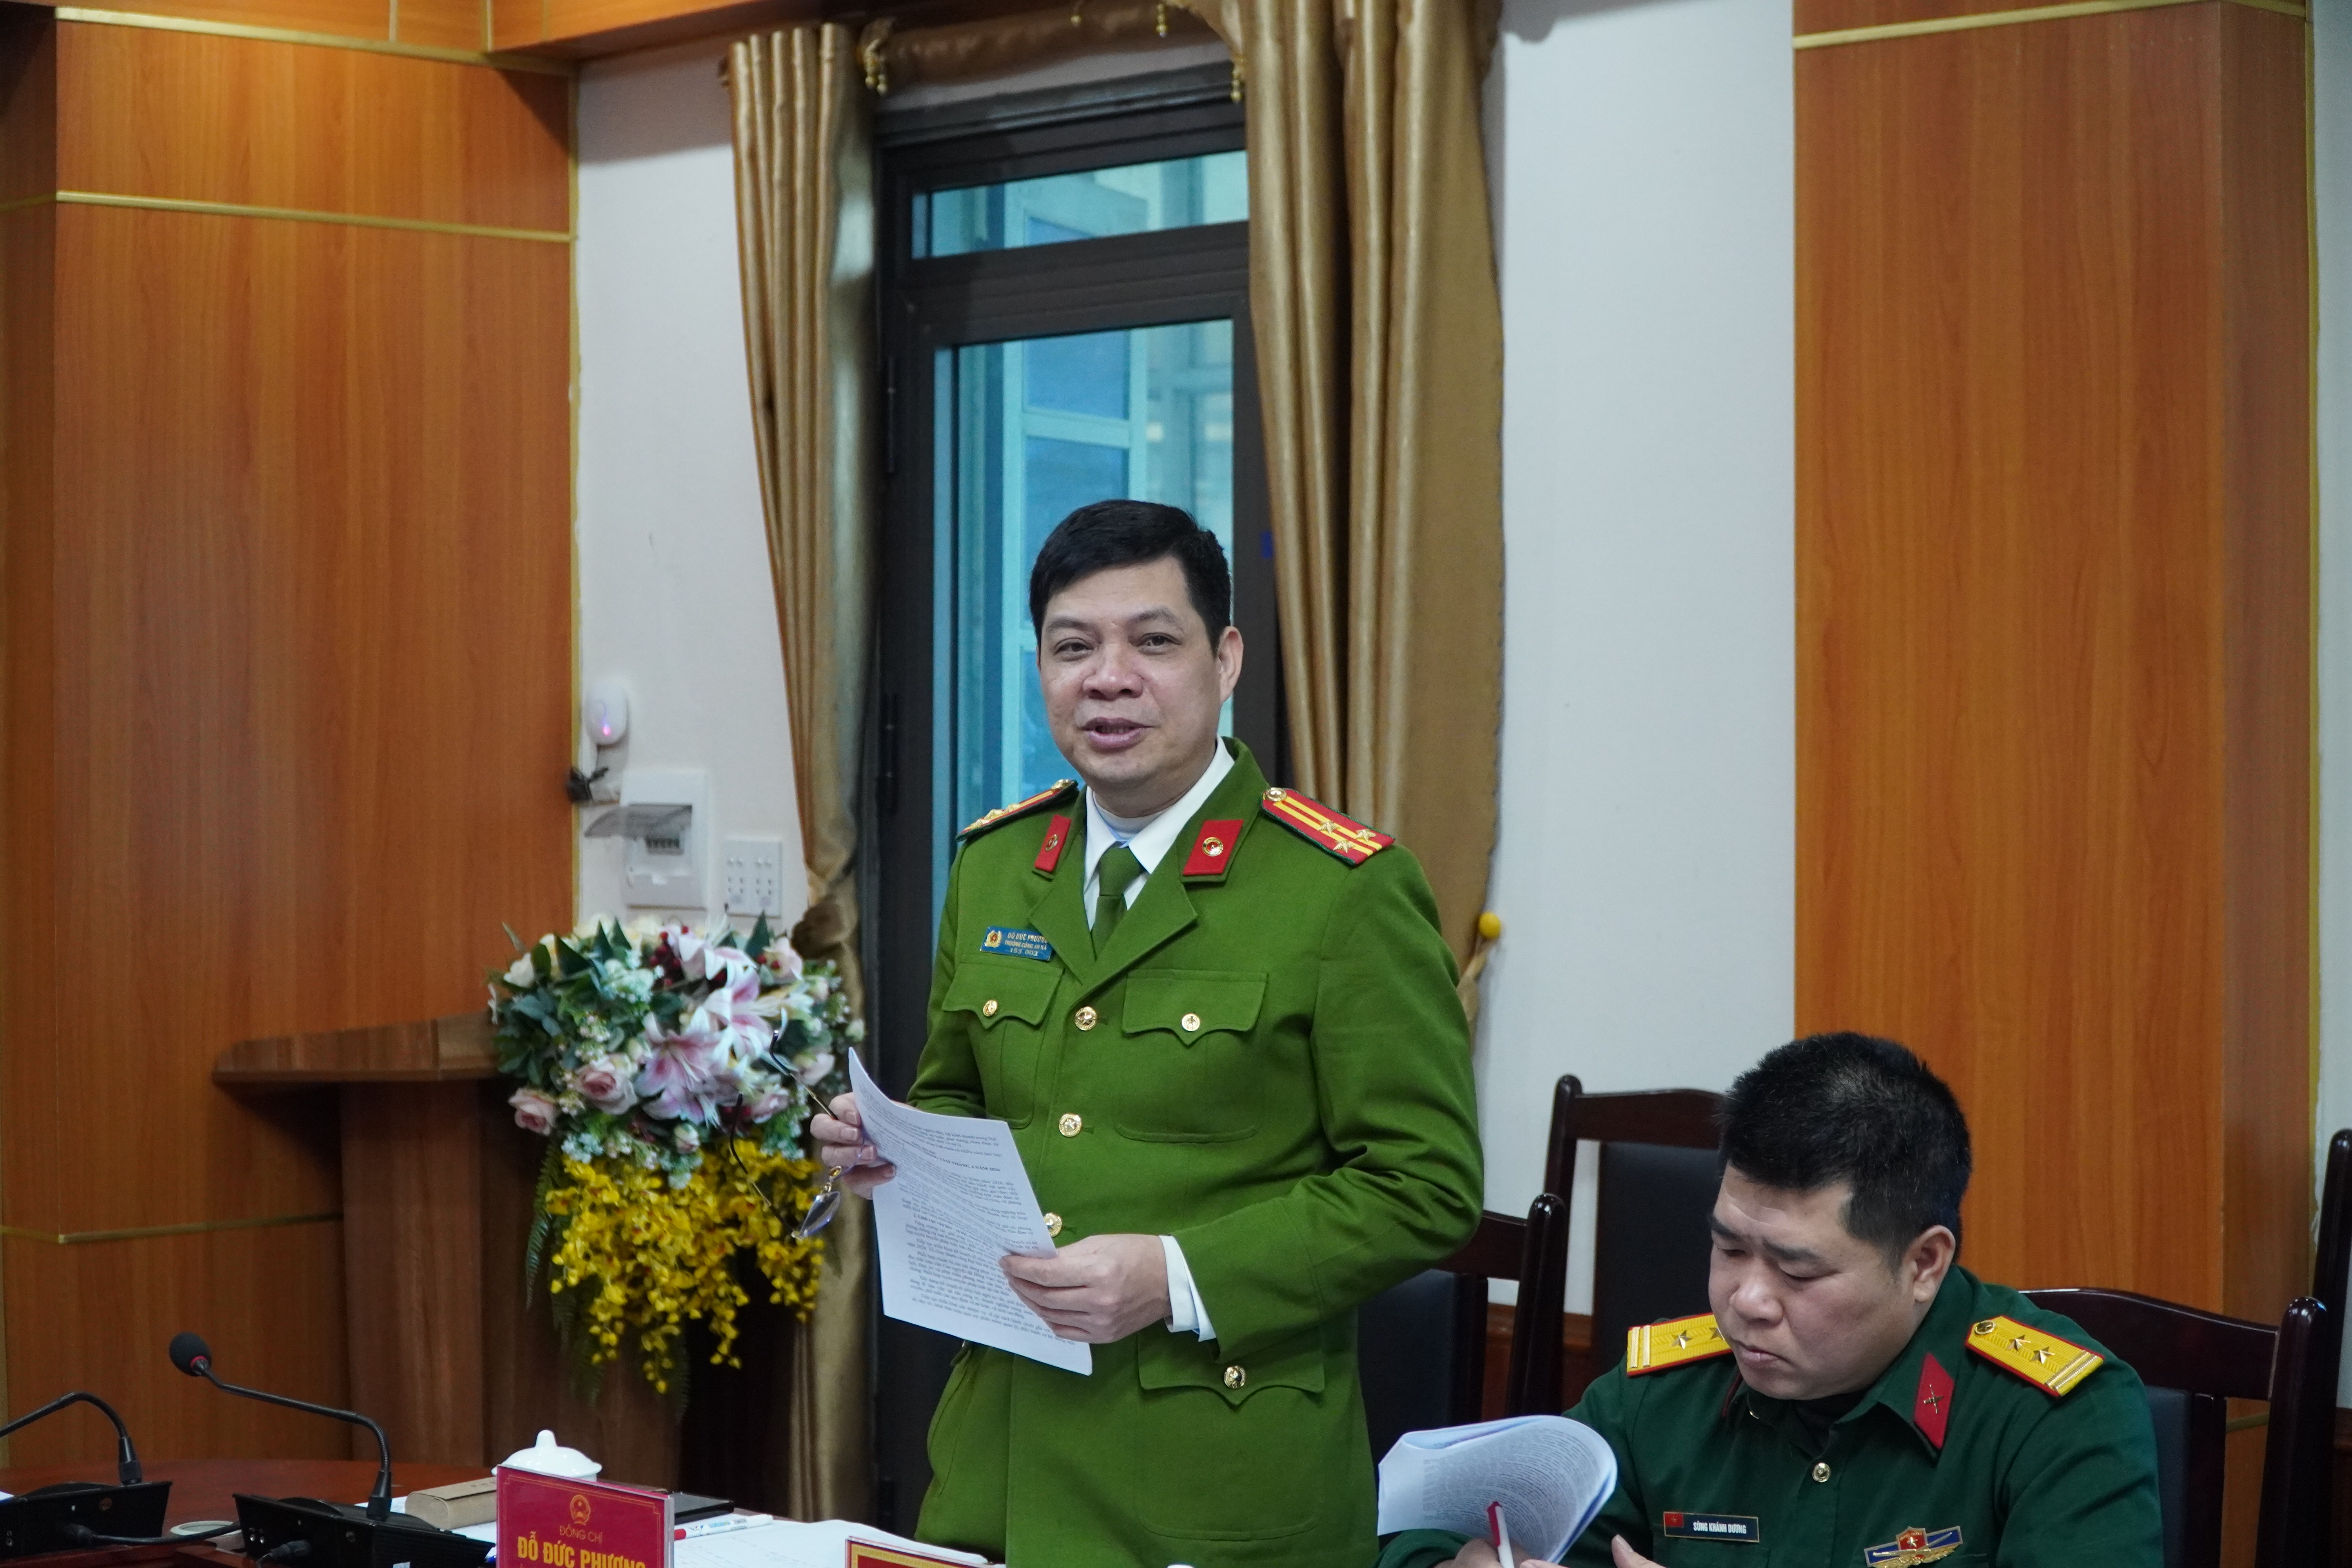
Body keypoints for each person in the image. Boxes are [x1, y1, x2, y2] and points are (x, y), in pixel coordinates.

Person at [814, 499, 1485, 1567]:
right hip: (1002, 1459)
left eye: (1154, 642)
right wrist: (891, 1145)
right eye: (1073, 646)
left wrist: (1174, 1275)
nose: (1109, 678)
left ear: (1226, 660)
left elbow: (1427, 1185)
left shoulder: (1340, 888)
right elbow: (958, 1099)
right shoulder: (997, 865)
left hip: (1216, 1480)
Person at [1380, 1033, 2162, 1568]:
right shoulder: (1664, 1396)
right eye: (1728, 1248)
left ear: (1924, 1262)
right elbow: (1435, 1535)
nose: (1747, 1300)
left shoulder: (2054, 1415)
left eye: (1798, 1271)